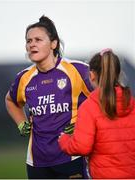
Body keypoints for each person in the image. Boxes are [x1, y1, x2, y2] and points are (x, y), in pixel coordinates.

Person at [5, 15, 93, 179]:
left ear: (54, 43)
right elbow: (10, 100)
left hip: (73, 156)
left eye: (38, 39)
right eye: (29, 41)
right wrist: (21, 123)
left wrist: (84, 125)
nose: (32, 44)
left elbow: (103, 99)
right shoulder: (24, 78)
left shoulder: (78, 70)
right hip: (37, 162)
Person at [58, 48, 135, 179]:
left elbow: (82, 147)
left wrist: (64, 140)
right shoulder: (132, 103)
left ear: (92, 75)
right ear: (117, 73)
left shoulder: (89, 107)